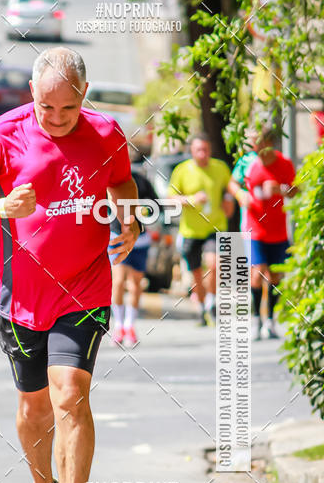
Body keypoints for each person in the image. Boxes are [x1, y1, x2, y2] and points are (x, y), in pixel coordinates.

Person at [0, 47, 139, 483]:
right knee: (34, 409)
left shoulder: (105, 133)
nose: (56, 120)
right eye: (46, 109)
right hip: (20, 297)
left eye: (68, 110)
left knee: (70, 395)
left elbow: (121, 180)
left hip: (85, 286)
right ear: (32, 94)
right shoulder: (2, 133)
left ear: (84, 96)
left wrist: (130, 219)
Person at [166, 134, 234, 326]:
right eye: (198, 150)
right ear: (192, 151)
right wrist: (191, 199)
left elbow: (230, 187)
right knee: (196, 274)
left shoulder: (220, 168)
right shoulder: (182, 170)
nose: (203, 154)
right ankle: (202, 307)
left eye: (206, 150)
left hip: (215, 226)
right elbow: (171, 198)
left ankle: (212, 303)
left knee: (214, 265)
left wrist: (229, 199)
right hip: (191, 230)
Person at [241, 126, 297, 339]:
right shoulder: (251, 165)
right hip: (255, 229)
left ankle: (270, 321)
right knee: (256, 275)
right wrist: (241, 196)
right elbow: (235, 185)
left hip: (278, 230)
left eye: (260, 145)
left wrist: (281, 189)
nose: (257, 150)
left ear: (269, 144)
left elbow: (295, 190)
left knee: (275, 276)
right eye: (254, 146)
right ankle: (257, 319)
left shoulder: (284, 163)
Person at [109, 161, 155, 347]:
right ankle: (118, 326)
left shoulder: (142, 181)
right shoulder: (109, 180)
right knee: (119, 280)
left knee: (135, 284)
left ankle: (130, 326)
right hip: (117, 235)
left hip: (141, 239)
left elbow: (156, 205)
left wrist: (145, 211)